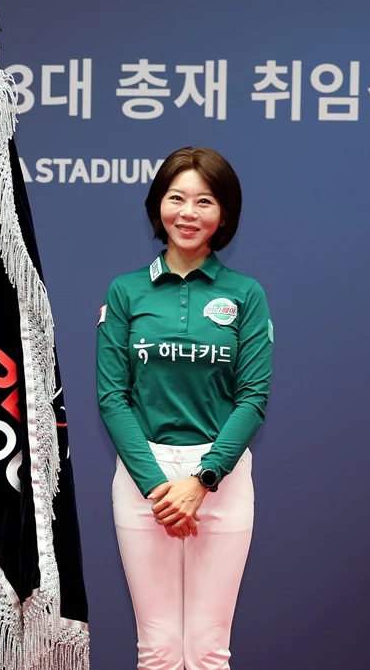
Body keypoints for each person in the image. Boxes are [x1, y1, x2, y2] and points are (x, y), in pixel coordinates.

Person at [96, 147, 272, 670]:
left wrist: (202, 480)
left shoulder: (246, 294)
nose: (188, 213)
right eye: (177, 198)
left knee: (208, 650)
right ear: (158, 206)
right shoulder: (126, 291)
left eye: (204, 201)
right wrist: (157, 488)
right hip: (143, 480)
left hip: (221, 479)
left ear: (225, 214)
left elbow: (253, 397)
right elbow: (113, 397)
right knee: (158, 650)